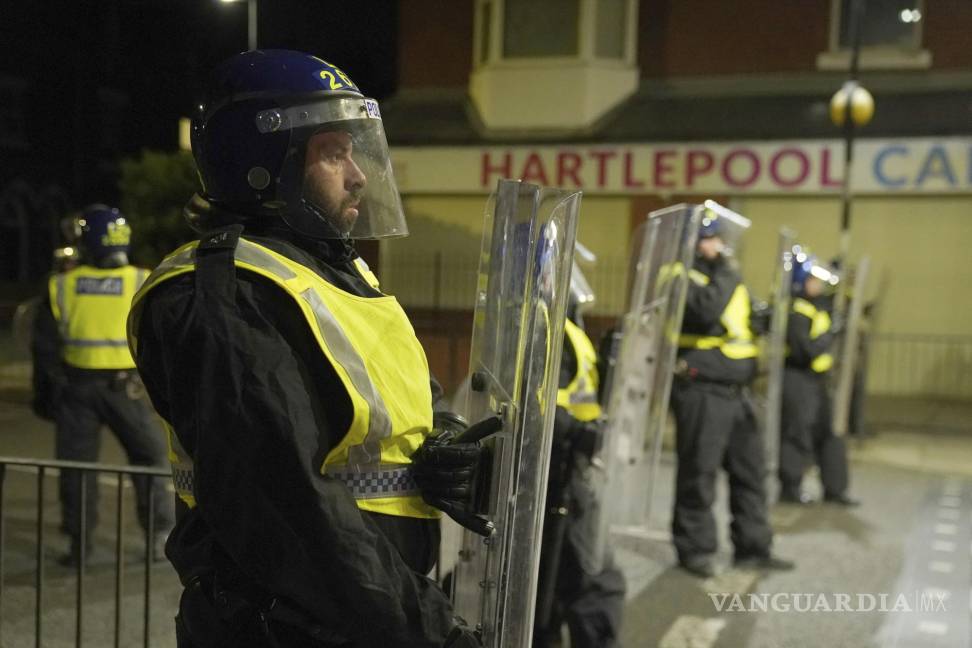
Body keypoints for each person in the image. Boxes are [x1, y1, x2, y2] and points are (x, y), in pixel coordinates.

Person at [127, 50, 484, 648]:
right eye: (332, 153)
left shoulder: (335, 276)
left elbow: (389, 407)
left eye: (354, 150)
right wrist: (431, 631)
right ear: (264, 163)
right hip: (288, 626)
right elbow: (290, 507)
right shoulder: (226, 292)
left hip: (362, 619)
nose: (359, 175)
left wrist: (441, 443)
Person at [31, 204, 174, 567]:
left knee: (78, 470)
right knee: (149, 459)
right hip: (125, 389)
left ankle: (80, 548)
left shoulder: (62, 285)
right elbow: (163, 339)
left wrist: (45, 398)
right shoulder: (143, 279)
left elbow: (44, 349)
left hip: (75, 390)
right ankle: (158, 539)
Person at [670, 211, 793, 578]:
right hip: (702, 390)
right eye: (709, 239)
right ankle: (695, 550)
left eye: (717, 238)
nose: (717, 245)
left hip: (737, 392)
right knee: (699, 473)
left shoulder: (722, 277)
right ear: (690, 242)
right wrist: (729, 271)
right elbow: (703, 311)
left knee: (750, 472)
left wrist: (760, 318)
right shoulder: (677, 275)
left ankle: (753, 546)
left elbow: (735, 319)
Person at [534, 264, 625, 648]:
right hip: (559, 468)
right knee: (592, 576)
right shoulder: (544, 328)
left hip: (573, 465)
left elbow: (578, 394)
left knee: (559, 578)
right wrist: (580, 432)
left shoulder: (566, 327)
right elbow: (535, 405)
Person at [778, 250, 858, 506]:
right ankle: (790, 488)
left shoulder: (816, 305)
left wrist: (839, 270)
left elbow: (837, 296)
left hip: (818, 381)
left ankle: (835, 489)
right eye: (813, 279)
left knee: (830, 433)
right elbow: (805, 351)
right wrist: (830, 334)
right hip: (799, 378)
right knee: (797, 433)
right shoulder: (797, 311)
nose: (819, 284)